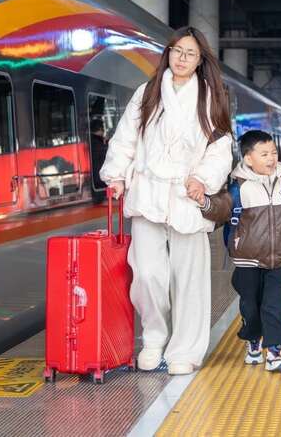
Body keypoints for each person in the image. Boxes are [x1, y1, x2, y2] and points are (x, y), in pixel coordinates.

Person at [100, 26, 233, 376]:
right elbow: (125, 138)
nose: (182, 58)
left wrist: (202, 179)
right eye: (177, 51)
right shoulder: (147, 93)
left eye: (190, 53)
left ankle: (185, 349)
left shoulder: (211, 98)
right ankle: (153, 338)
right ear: (168, 53)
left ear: (200, 60)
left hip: (188, 196)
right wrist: (116, 175)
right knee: (147, 274)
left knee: (189, 279)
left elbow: (221, 148)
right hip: (147, 193)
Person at [200, 130, 281, 372]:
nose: (271, 158)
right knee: (250, 304)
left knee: (275, 303)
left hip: (280, 256)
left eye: (273, 153)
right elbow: (221, 209)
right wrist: (205, 203)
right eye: (264, 154)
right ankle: (253, 339)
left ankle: (275, 351)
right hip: (246, 258)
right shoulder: (237, 188)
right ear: (248, 158)